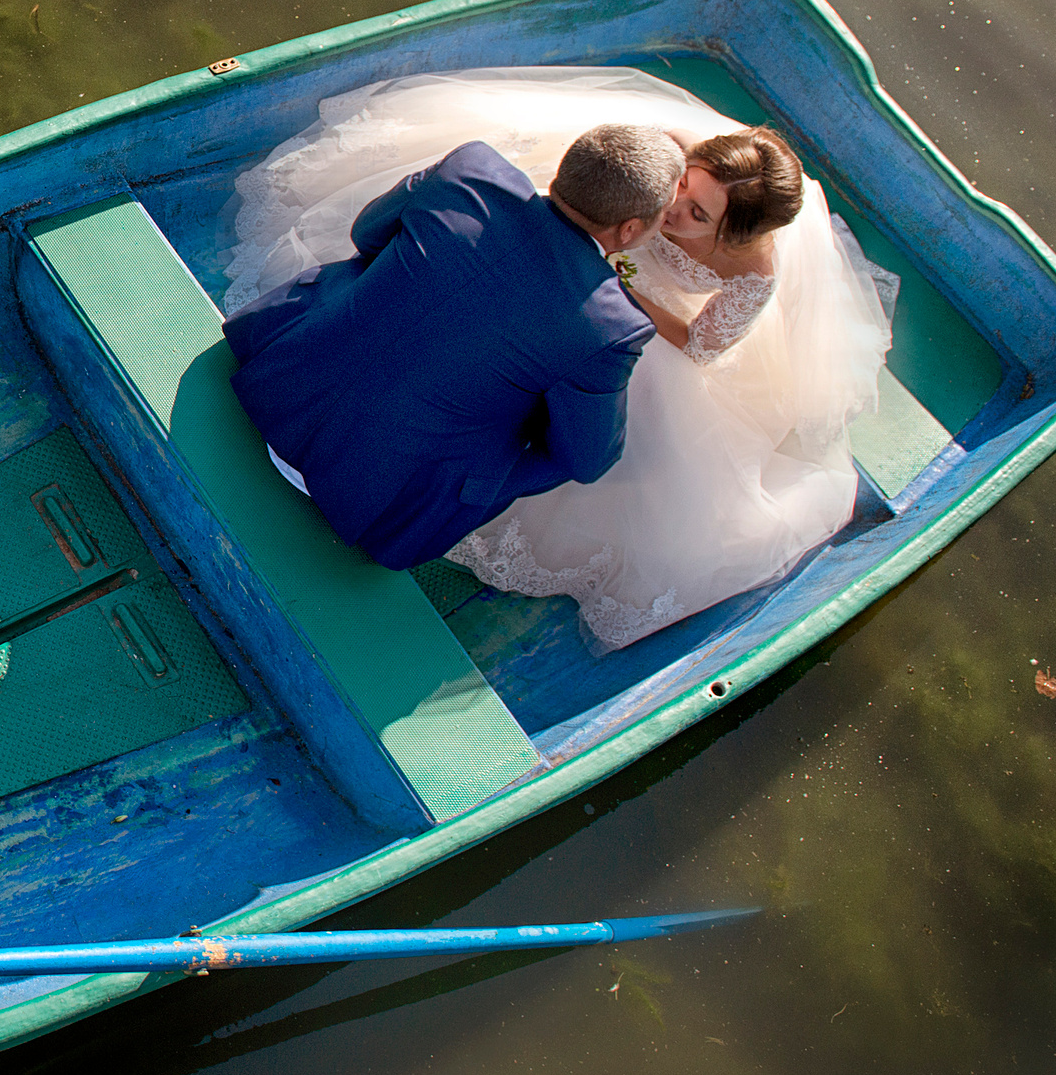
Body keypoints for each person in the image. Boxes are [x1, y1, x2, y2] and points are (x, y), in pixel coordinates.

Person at [221, 67, 898, 651]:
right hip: (576, 284)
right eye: (681, 193)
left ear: (730, 234)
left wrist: (622, 290)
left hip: (288, 371)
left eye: (696, 216)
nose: (675, 212)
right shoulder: (622, 274)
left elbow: (701, 342)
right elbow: (584, 460)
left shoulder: (477, 175)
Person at [220, 114, 683, 570]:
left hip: (273, 384)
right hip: (366, 494)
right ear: (629, 229)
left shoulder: (469, 171)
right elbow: (587, 461)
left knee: (380, 275)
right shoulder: (612, 326)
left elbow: (366, 235)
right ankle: (428, 506)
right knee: (575, 437)